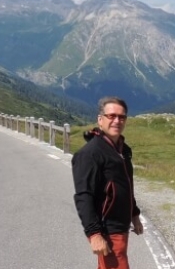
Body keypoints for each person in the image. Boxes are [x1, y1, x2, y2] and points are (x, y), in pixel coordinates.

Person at [72, 96, 143, 269]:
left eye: (121, 117)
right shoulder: (90, 153)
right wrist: (94, 234)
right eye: (111, 116)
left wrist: (134, 214)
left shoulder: (123, 150)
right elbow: (83, 196)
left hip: (121, 225)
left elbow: (126, 184)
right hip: (107, 228)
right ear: (100, 119)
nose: (117, 121)